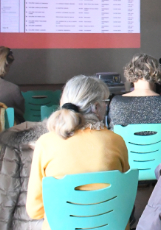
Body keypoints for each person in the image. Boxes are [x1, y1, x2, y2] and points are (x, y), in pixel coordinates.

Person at [26, 75, 130, 230]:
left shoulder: (45, 143)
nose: (106, 107)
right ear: (96, 107)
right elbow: (126, 199)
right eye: (105, 102)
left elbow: (35, 210)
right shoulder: (116, 141)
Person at [108, 54, 161, 152]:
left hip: (126, 162)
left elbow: (112, 139)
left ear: (130, 73)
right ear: (157, 73)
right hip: (159, 159)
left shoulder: (116, 102)